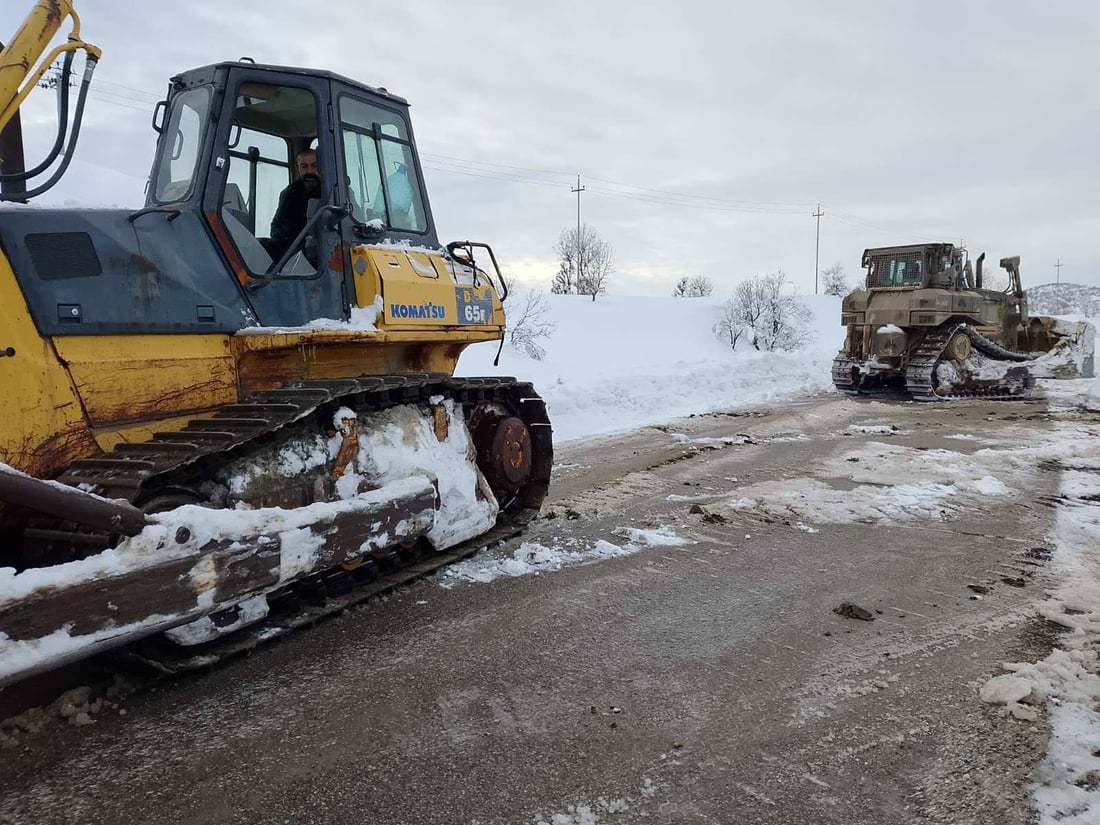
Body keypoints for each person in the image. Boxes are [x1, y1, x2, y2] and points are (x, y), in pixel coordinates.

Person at [269, 148, 321, 263]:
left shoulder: (336, 190)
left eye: (314, 166)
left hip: (329, 250)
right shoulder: (289, 194)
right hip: (297, 254)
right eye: (304, 166)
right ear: (297, 168)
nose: (310, 171)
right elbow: (277, 226)